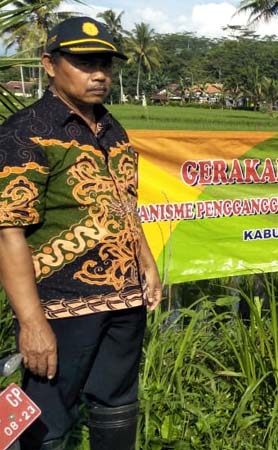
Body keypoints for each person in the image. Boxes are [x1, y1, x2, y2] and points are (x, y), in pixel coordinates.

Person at [0, 17, 163, 450]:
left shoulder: (111, 127)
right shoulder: (24, 133)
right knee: (45, 420)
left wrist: (146, 262)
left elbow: (124, 202)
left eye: (106, 64)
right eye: (84, 63)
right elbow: (7, 234)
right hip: (60, 306)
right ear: (49, 65)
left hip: (125, 298)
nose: (99, 74)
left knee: (117, 405)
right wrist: (32, 323)